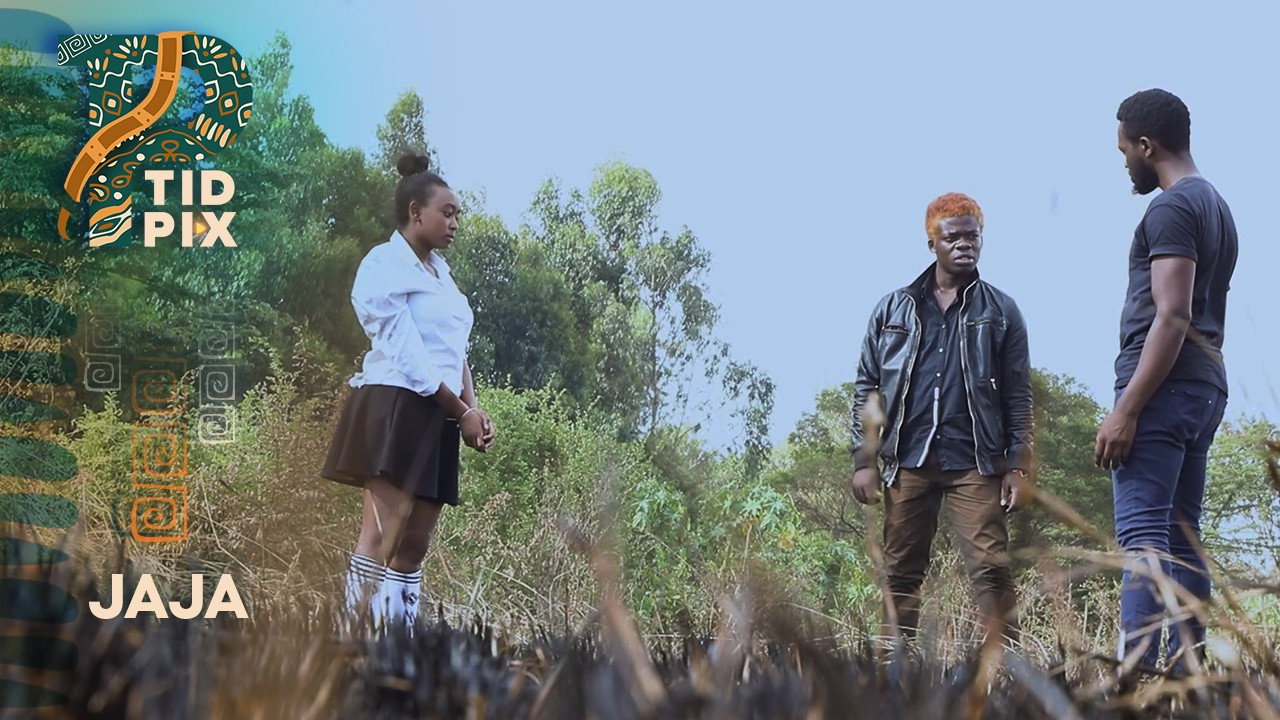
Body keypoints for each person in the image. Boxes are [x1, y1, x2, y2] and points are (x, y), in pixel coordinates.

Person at [321, 153, 495, 633]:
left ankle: (398, 643)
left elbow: (454, 351)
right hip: (396, 404)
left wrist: (473, 410)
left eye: (457, 215)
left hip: (439, 412)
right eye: (447, 212)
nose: (454, 223)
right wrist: (460, 411)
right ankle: (349, 638)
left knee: (415, 544)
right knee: (381, 536)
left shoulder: (441, 275)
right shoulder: (383, 265)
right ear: (416, 212)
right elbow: (409, 353)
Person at [1095, 89, 1237, 671]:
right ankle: (1188, 678)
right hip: (1203, 386)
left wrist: (1127, 409)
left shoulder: (1172, 207)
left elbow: (1172, 314)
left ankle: (1134, 681)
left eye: (1125, 150)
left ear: (1147, 146)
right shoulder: (1216, 205)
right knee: (1182, 536)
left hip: (1162, 390)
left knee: (1143, 536)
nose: (1125, 161)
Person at [850, 192, 1033, 642]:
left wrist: (1018, 465)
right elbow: (868, 389)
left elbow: (1018, 395)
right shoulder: (892, 309)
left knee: (990, 569)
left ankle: (1007, 666)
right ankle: (894, 664)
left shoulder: (1001, 311)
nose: (965, 244)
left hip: (975, 463)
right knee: (900, 572)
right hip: (908, 461)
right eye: (953, 237)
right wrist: (864, 461)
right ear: (932, 242)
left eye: (973, 236)